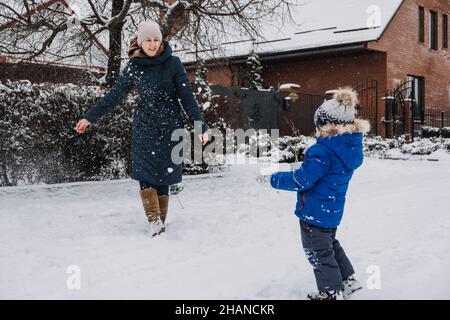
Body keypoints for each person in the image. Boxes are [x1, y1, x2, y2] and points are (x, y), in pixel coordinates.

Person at [75, 20, 209, 236]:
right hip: (145, 128)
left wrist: (200, 126)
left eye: (156, 39)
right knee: (146, 173)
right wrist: (90, 117)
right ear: (140, 41)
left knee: (164, 175)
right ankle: (154, 220)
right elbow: (115, 96)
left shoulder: (173, 63)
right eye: (148, 40)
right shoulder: (134, 67)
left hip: (170, 127)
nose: (153, 44)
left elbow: (187, 97)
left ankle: (160, 222)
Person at [270, 87, 369, 300]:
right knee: (330, 246)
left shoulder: (323, 151)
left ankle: (328, 292)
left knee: (318, 253)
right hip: (331, 210)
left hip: (314, 213)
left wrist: (274, 178)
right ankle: (348, 281)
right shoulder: (347, 148)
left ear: (326, 126)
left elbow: (302, 179)